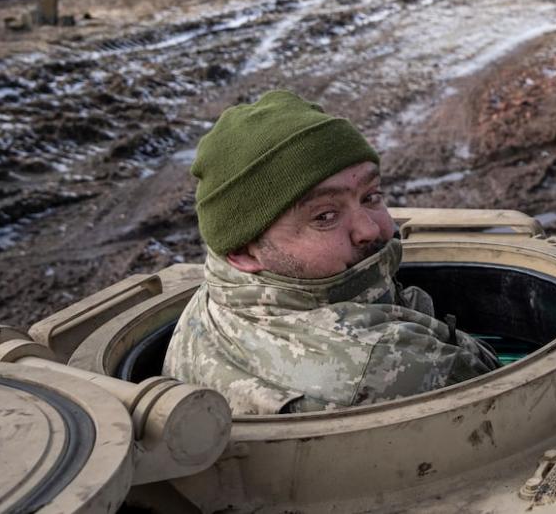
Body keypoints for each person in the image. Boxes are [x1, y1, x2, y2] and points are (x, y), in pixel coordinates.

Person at [163, 90, 499, 414]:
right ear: (243, 253)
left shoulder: (224, 290)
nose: (369, 229)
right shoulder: (396, 366)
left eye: (370, 196)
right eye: (324, 216)